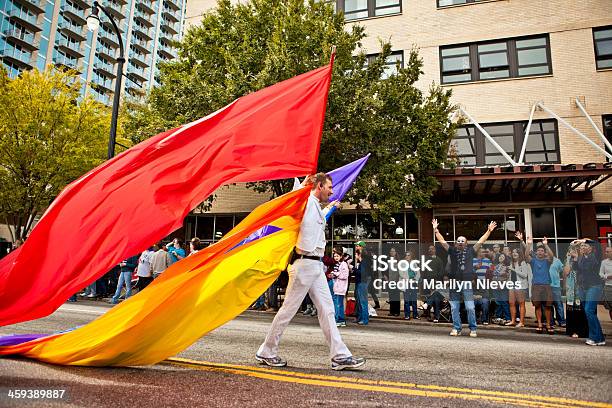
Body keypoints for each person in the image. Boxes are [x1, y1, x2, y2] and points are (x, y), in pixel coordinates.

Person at [256, 173, 365, 370]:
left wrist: (331, 207)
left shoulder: (315, 206)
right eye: (329, 187)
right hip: (303, 265)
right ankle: (266, 351)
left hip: (316, 266)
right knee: (287, 311)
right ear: (319, 186)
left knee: (328, 309)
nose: (332, 191)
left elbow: (319, 219)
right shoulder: (305, 201)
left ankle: (339, 356)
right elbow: (292, 203)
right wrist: (303, 185)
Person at [432, 219, 497, 337]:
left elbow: (481, 241)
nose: (460, 242)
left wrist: (488, 231)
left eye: (463, 241)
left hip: (466, 283)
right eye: (458, 241)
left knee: (470, 307)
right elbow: (442, 241)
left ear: (466, 243)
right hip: (455, 283)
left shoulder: (471, 251)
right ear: (456, 243)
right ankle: (457, 328)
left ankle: (473, 328)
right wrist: (436, 230)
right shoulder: (452, 251)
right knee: (454, 307)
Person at [573, 239, 605, 346]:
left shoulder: (595, 256)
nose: (582, 248)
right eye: (581, 246)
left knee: (589, 310)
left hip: (594, 286)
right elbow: (576, 269)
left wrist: (585, 239)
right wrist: (575, 259)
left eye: (585, 246)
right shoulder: (581, 257)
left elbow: (597, 244)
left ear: (591, 248)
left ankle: (593, 338)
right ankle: (600, 338)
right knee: (590, 313)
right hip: (583, 287)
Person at [524, 236, 555, 334]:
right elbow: (526, 256)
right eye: (539, 250)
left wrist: (546, 245)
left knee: (548, 307)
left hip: (546, 285)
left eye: (542, 250)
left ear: (544, 252)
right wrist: (529, 244)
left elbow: (551, 256)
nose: (540, 252)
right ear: (536, 252)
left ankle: (548, 325)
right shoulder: (533, 261)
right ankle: (540, 324)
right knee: (537, 306)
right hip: (536, 286)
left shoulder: (547, 261)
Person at [508, 244, 530, 328]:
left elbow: (524, 275)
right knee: (511, 303)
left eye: (516, 252)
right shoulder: (511, 263)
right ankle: (513, 321)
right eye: (513, 252)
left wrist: (514, 269)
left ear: (519, 254)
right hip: (512, 285)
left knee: (521, 303)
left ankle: (521, 322)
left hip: (520, 285)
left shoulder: (523, 262)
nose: (514, 253)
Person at [473, 247, 492, 325]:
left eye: (484, 252)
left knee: (485, 301)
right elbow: (468, 271)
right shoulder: (473, 260)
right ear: (478, 252)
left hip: (485, 283)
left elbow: (492, 270)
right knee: (473, 301)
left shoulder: (487, 260)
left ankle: (484, 319)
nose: (483, 253)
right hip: (474, 283)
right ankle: (474, 319)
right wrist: (474, 267)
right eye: (481, 252)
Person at [354, 241, 372, 325]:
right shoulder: (362, 261)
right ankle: (360, 317)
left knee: (363, 301)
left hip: (362, 282)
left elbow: (363, 273)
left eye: (357, 246)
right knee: (359, 301)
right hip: (360, 281)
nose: (356, 248)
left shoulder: (365, 260)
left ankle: (365, 319)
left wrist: (353, 269)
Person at [331, 247, 349, 327]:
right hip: (338, 287)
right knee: (339, 304)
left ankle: (338, 320)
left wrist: (336, 274)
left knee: (338, 305)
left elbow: (345, 276)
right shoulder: (338, 264)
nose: (336, 258)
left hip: (340, 288)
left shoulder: (343, 264)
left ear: (341, 256)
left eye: (337, 256)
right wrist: (333, 275)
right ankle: (341, 320)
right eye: (335, 256)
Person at [491, 253, 511, 325]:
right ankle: (498, 317)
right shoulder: (495, 266)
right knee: (498, 302)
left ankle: (508, 318)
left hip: (503, 286)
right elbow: (492, 276)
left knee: (504, 302)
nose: (501, 257)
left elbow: (508, 277)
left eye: (502, 256)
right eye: (500, 256)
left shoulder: (507, 267)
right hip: (495, 286)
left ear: (505, 258)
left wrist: (501, 283)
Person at [401, 250, 420, 320]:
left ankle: (415, 314)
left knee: (414, 299)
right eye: (406, 255)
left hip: (413, 282)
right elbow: (401, 274)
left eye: (408, 255)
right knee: (407, 300)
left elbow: (418, 273)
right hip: (406, 283)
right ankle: (407, 315)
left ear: (411, 256)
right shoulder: (402, 264)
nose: (407, 256)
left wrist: (415, 279)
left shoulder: (414, 264)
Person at [548, 255, 566, 328]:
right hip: (546, 286)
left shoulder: (557, 260)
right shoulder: (543, 259)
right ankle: (551, 321)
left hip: (556, 285)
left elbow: (563, 271)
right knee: (549, 305)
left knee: (558, 304)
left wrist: (564, 284)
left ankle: (561, 321)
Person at [386, 247, 401, 317]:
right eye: (391, 251)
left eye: (393, 251)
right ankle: (392, 311)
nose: (392, 252)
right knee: (391, 296)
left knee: (396, 296)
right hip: (390, 281)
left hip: (397, 281)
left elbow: (400, 271)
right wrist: (386, 277)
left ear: (395, 252)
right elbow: (385, 270)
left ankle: (397, 312)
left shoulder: (398, 261)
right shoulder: (387, 260)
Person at [600, 246, 612, 321]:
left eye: (608, 251)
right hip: (608, 287)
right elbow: (600, 274)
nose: (606, 253)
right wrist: (607, 276)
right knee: (610, 307)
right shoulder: (604, 262)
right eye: (606, 251)